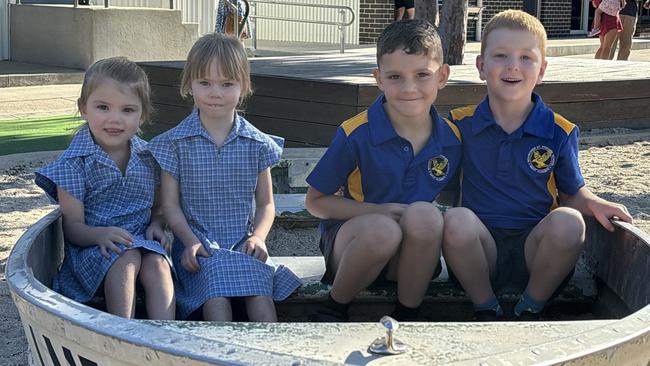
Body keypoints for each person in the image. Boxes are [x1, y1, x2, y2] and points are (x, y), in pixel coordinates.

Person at [443, 10, 633, 321]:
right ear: (481, 66)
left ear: (542, 70)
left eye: (526, 57)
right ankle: (485, 308)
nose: (513, 66)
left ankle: (530, 307)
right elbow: (438, 184)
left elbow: (573, 193)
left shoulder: (560, 130)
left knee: (570, 221)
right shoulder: (458, 125)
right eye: (501, 55)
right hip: (479, 251)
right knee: (456, 219)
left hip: (537, 251)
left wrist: (597, 203)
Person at [305, 19, 460, 322]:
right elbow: (315, 202)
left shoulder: (452, 139)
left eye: (421, 75)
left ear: (442, 76)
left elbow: (455, 198)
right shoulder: (356, 133)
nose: (409, 88)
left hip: (411, 258)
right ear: (378, 79)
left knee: (426, 215)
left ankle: (407, 314)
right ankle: (334, 308)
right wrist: (377, 210)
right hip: (355, 246)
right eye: (395, 76)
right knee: (383, 229)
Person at [149, 33, 301, 322]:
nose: (215, 92)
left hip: (241, 242)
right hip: (198, 245)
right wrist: (190, 241)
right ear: (188, 85)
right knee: (216, 286)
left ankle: (269, 352)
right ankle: (218, 353)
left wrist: (258, 237)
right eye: (204, 82)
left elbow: (267, 204)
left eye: (226, 84)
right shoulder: (175, 144)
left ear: (243, 86)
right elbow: (170, 205)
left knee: (259, 290)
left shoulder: (256, 143)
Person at [35, 57, 175, 320]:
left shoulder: (148, 158)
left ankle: (165, 338)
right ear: (83, 108)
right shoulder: (75, 163)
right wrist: (98, 235)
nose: (115, 119)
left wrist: (157, 223)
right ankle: (119, 335)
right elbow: (72, 227)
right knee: (127, 257)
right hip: (93, 248)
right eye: (103, 107)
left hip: (141, 241)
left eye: (127, 110)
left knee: (158, 264)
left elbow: (159, 206)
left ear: (142, 115)